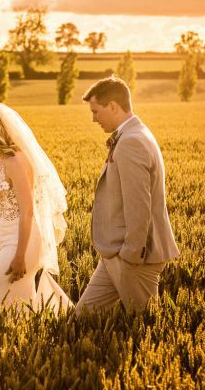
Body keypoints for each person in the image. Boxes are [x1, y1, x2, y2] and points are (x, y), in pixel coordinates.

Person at [76, 76, 179, 313]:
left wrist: (130, 255)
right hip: (114, 253)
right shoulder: (134, 134)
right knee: (81, 319)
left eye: (95, 111)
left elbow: (139, 205)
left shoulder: (131, 141)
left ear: (113, 106)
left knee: (146, 325)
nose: (93, 119)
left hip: (134, 257)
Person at [0, 103, 73, 312]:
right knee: (17, 310)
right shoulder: (6, 159)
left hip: (20, 246)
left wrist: (19, 256)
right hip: (12, 243)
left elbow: (28, 211)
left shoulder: (15, 161)